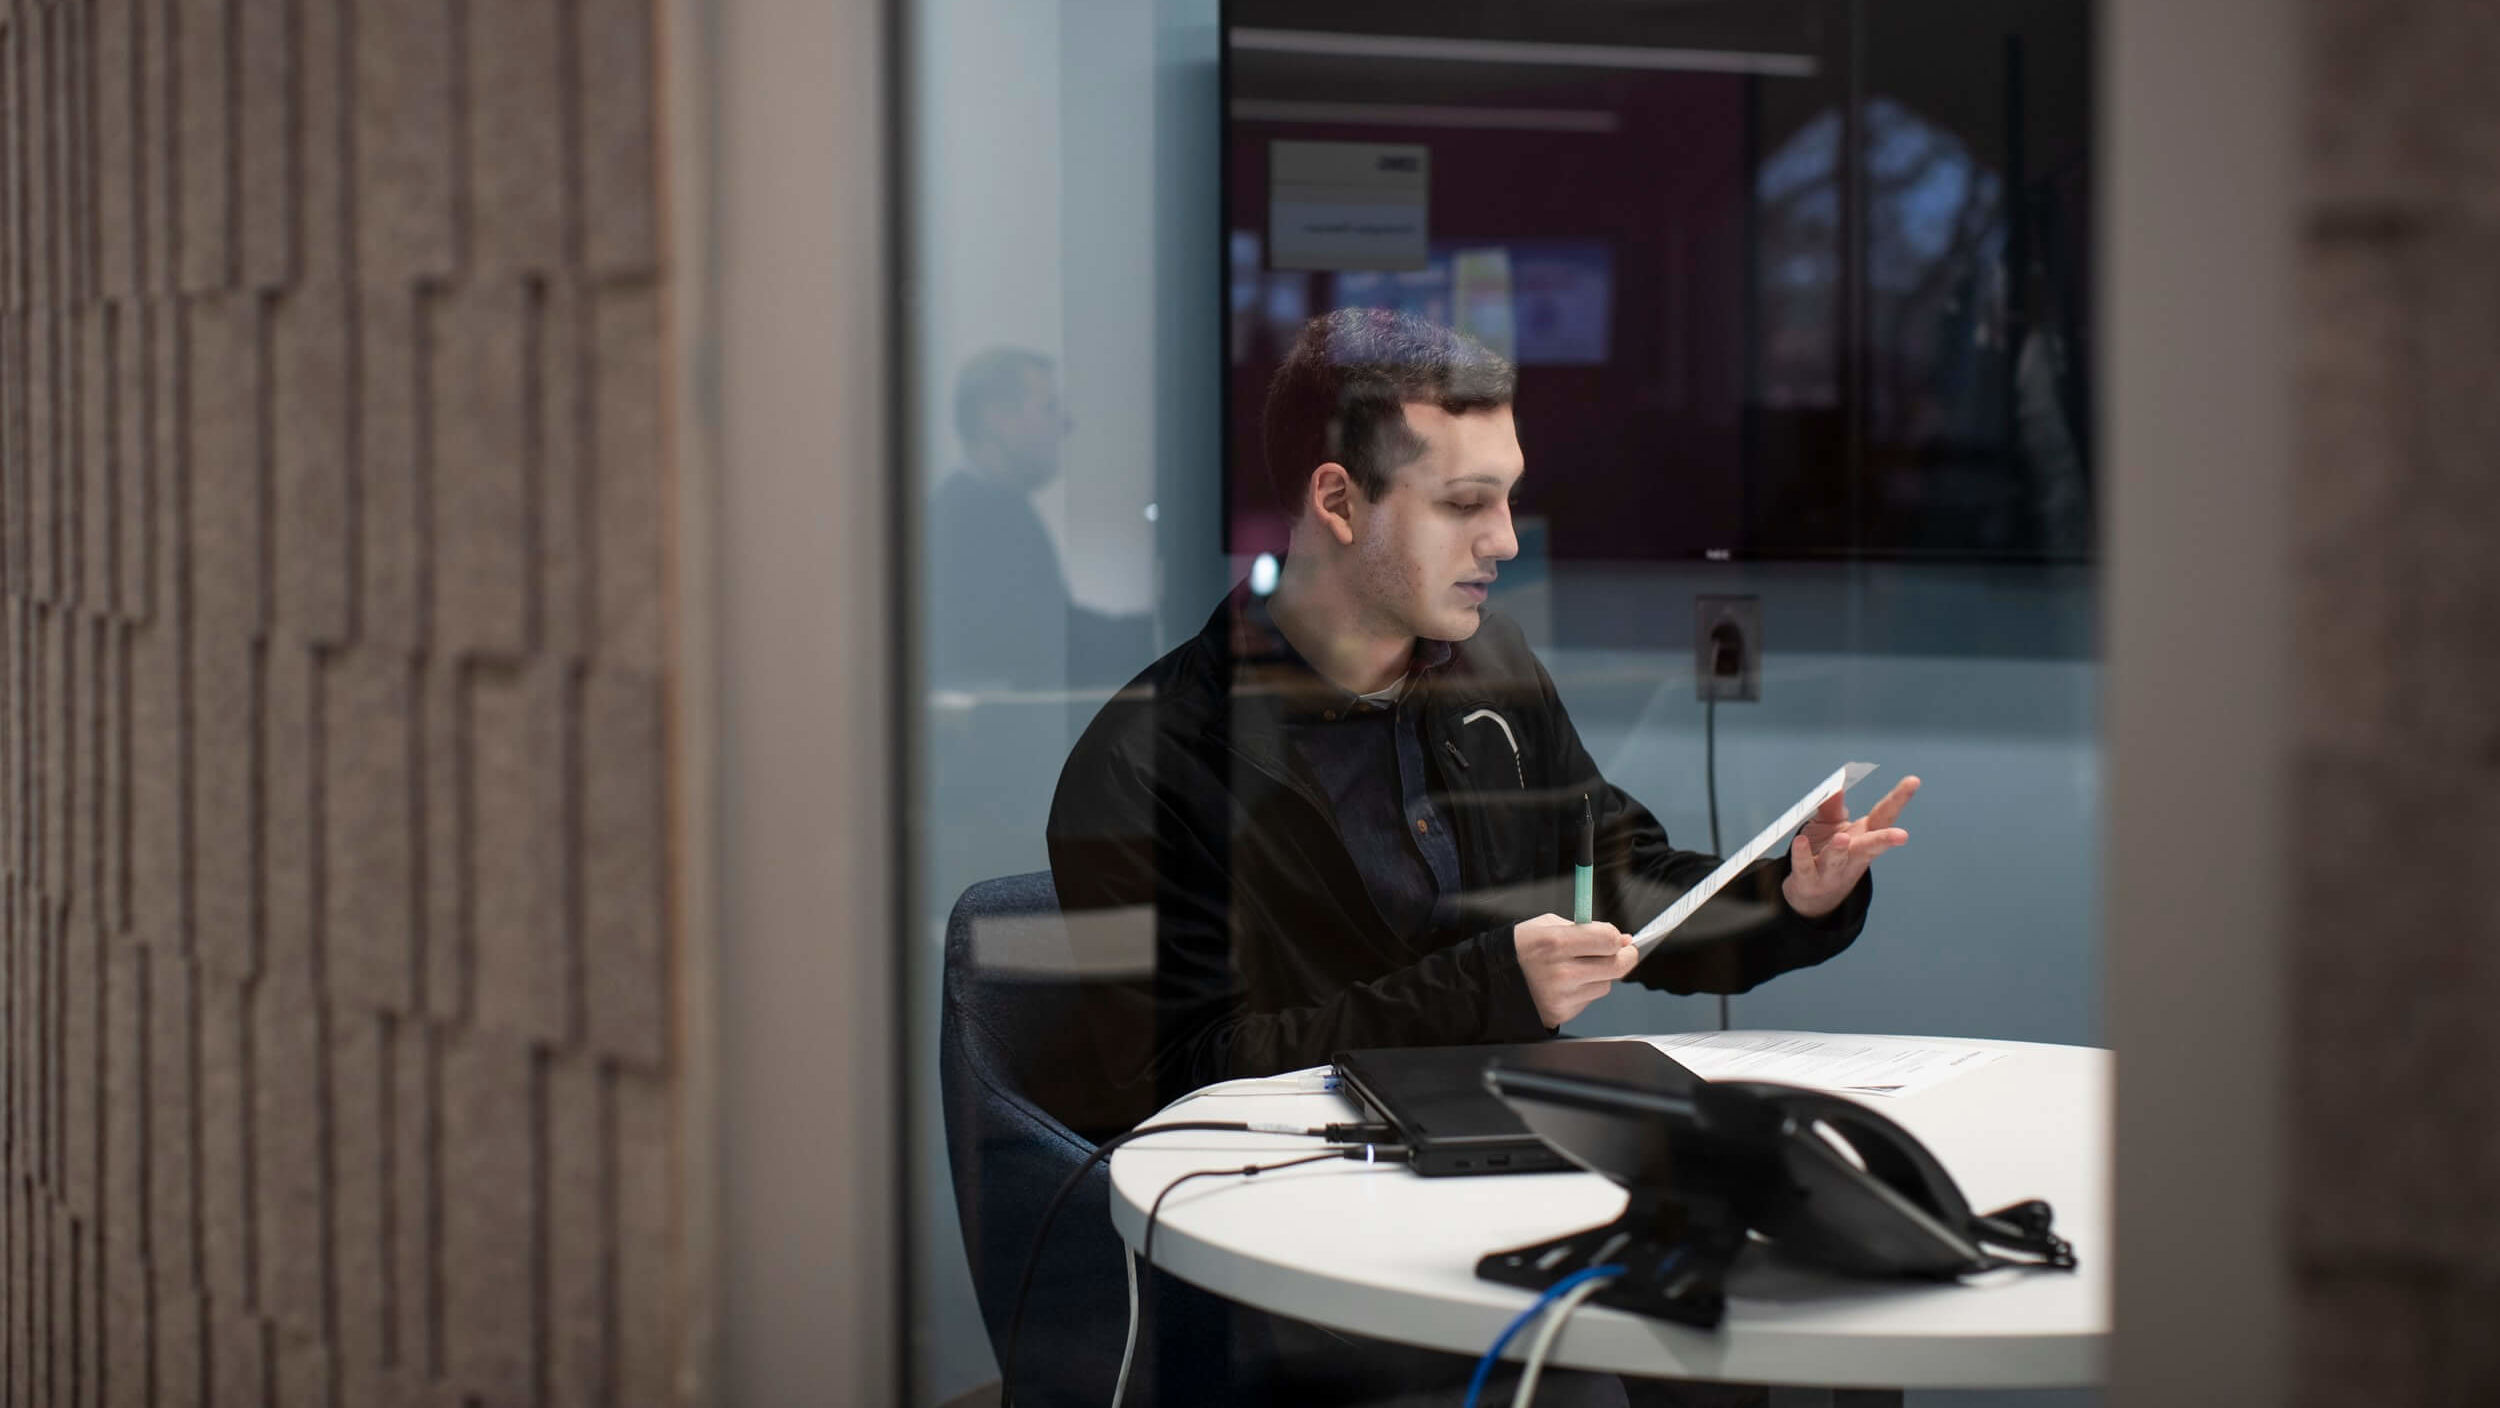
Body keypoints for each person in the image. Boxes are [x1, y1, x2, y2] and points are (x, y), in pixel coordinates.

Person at [1042, 308, 1922, 1408]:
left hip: (1510, 1178)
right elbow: (1180, 1083)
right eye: (1465, 503)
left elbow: (1614, 878)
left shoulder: (1486, 667)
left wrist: (1787, 895)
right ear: (1335, 501)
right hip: (1305, 1240)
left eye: (1507, 495)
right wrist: (1483, 987)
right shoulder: (1150, 761)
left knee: (1829, 1344)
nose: (1505, 539)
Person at [927, 347, 1152, 691]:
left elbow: (1049, 632)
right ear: (998, 417)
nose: (1065, 423)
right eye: (1049, 407)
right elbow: (1048, 641)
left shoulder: (988, 508)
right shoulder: (974, 519)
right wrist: (1168, 633)